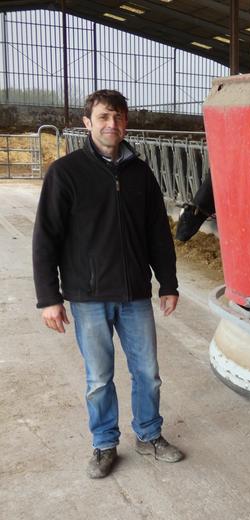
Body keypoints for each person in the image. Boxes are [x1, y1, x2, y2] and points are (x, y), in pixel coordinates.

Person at [32, 89, 184, 479]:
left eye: (117, 117)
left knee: (147, 372)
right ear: (87, 122)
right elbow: (45, 238)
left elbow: (157, 234)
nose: (110, 125)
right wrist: (49, 298)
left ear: (126, 123)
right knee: (99, 378)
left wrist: (168, 282)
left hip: (134, 293)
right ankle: (104, 444)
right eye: (102, 117)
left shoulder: (141, 173)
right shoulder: (65, 173)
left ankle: (149, 435)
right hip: (88, 296)